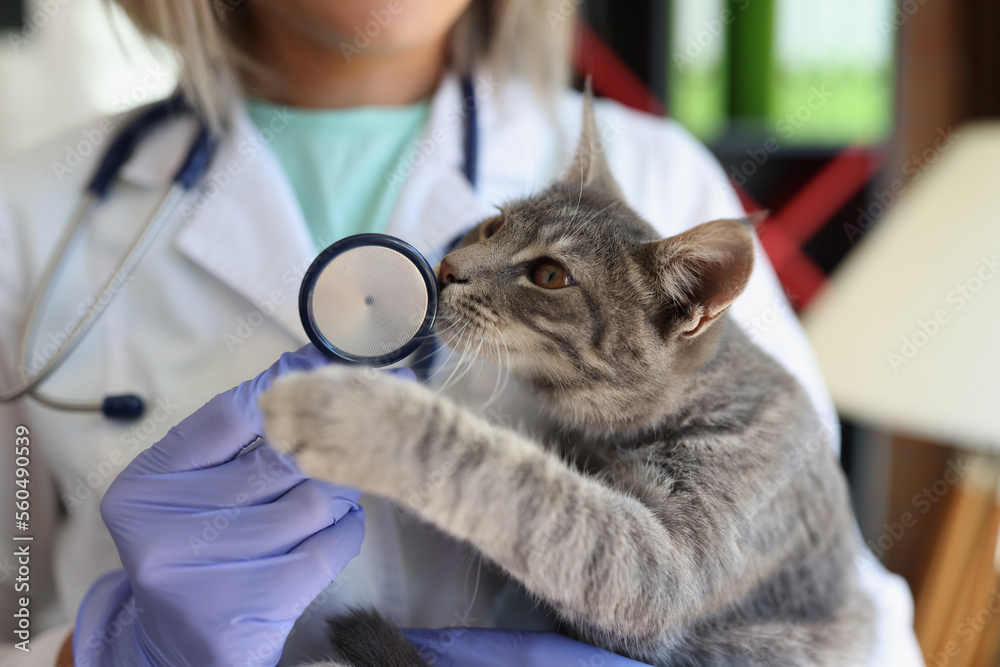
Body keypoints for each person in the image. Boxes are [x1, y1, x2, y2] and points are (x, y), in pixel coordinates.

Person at [0, 0, 924, 665]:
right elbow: (10, 611)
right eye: (487, 235)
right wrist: (107, 651)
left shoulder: (655, 176)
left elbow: (840, 602)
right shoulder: (30, 215)